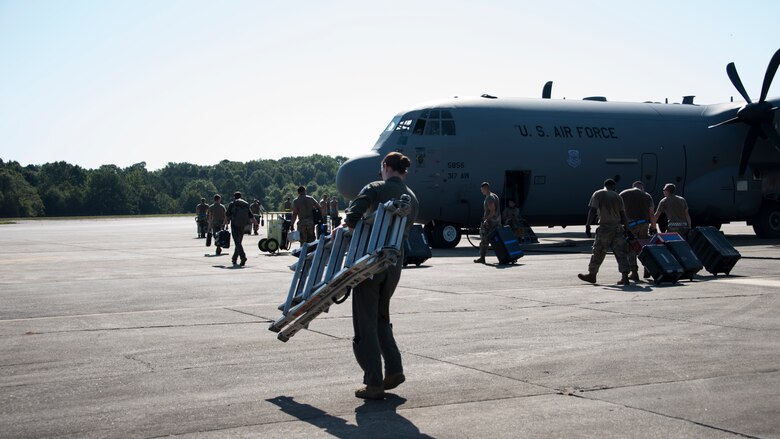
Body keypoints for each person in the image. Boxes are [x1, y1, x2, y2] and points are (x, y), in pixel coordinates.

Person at [342, 151, 419, 400]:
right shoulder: (412, 198)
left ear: (386, 167)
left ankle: (374, 382)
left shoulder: (375, 188)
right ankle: (394, 369)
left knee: (365, 323)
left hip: (370, 265)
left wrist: (350, 230)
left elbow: (352, 216)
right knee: (381, 319)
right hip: (393, 266)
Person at [578, 179, 631, 285]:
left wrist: (588, 225)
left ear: (604, 185)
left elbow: (593, 210)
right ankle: (625, 277)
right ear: (613, 186)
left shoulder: (598, 194)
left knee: (598, 251)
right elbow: (623, 214)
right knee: (621, 253)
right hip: (617, 228)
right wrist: (627, 229)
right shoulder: (618, 196)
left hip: (605, 228)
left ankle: (592, 275)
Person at [619, 181, 656, 281]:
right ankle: (648, 268)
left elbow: (619, 210)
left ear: (633, 187)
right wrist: (653, 227)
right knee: (645, 247)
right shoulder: (647, 196)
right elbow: (651, 213)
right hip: (644, 224)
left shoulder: (624, 193)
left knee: (631, 248)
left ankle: (634, 272)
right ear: (642, 188)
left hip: (631, 225)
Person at [225, 191, 258, 266]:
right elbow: (251, 215)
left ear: (234, 197)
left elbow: (227, 215)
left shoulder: (232, 204)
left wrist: (224, 224)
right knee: (238, 242)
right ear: (241, 196)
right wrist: (256, 223)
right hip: (243, 225)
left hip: (234, 224)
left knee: (237, 242)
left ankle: (243, 257)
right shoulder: (245, 205)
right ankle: (234, 258)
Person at [474, 182, 501, 264]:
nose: (481, 191)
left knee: (484, 241)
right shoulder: (495, 196)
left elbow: (492, 211)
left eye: (482, 189)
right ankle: (503, 256)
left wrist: (486, 220)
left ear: (485, 188)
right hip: (497, 222)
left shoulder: (489, 198)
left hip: (490, 223)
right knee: (497, 241)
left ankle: (482, 258)